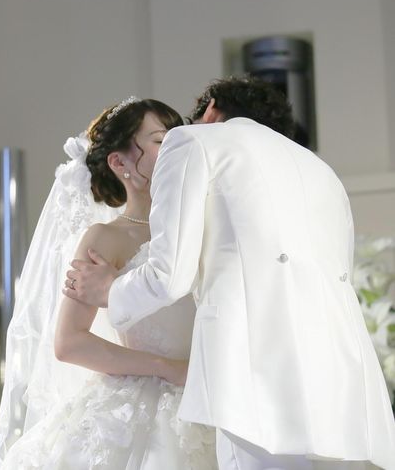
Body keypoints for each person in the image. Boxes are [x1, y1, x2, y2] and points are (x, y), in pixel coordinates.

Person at [65, 76, 395, 470]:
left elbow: (169, 275)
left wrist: (110, 290)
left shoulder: (193, 142)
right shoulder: (321, 170)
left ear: (210, 112)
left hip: (251, 371)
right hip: (339, 377)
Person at [0, 97, 218, 470]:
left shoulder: (205, 225)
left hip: (212, 394)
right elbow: (69, 342)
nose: (177, 150)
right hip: (148, 409)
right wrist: (167, 367)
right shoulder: (106, 238)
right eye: (161, 140)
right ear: (120, 163)